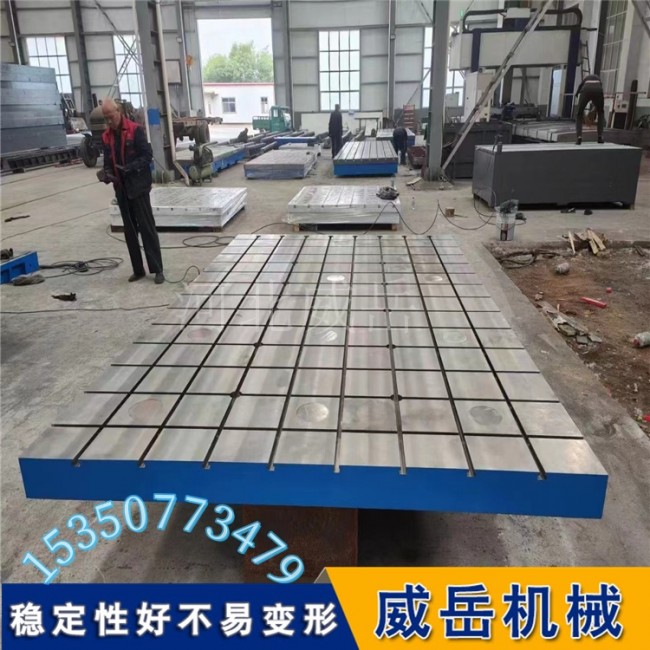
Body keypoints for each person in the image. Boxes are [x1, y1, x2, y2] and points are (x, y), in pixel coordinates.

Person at [99, 98, 164, 284]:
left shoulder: (135, 130)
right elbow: (107, 161)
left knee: (147, 228)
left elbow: (147, 156)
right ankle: (138, 270)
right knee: (130, 231)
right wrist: (107, 174)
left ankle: (157, 269)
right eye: (106, 118)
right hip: (121, 188)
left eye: (111, 116)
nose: (109, 121)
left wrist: (131, 168)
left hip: (139, 187)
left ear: (118, 111)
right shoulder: (106, 136)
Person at [575, 74, 605, 145]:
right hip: (598, 90)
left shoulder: (585, 79)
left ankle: (579, 137)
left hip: (586, 90)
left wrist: (576, 94)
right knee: (601, 112)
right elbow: (600, 90)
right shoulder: (598, 79)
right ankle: (600, 137)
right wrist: (594, 109)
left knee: (579, 114)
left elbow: (579, 87)